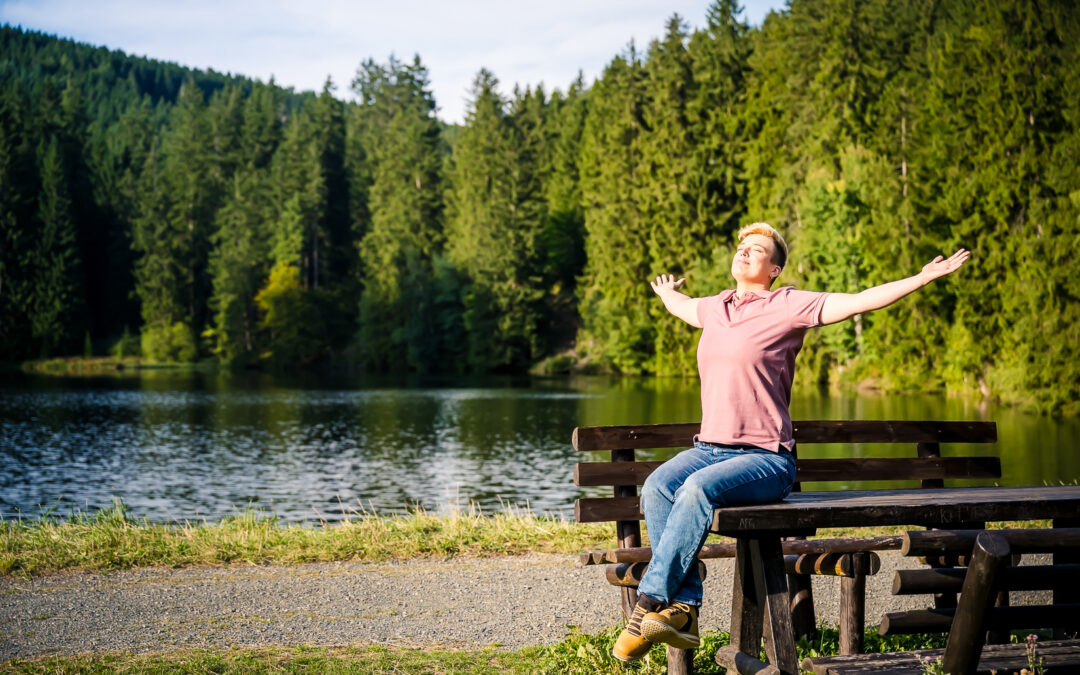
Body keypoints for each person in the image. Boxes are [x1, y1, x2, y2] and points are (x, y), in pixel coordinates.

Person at [612, 222, 970, 662]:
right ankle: (683, 608)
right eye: (742, 246)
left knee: (696, 490)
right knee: (657, 487)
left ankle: (649, 605)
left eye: (757, 250)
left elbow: (858, 302)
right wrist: (667, 293)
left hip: (765, 459)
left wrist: (921, 278)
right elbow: (683, 305)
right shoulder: (716, 308)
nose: (744, 252)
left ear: (775, 268)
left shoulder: (788, 306)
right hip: (709, 449)